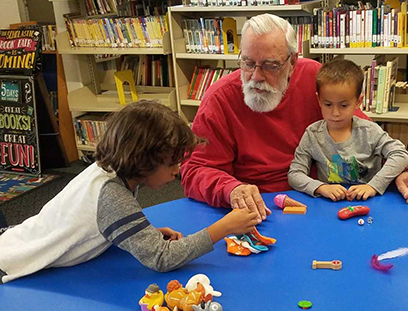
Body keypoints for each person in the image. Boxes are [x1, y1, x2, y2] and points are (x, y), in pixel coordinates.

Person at [181, 14, 408, 220]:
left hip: (321, 201)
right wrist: (232, 189)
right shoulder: (219, 99)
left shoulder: (314, 77)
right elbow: (194, 170)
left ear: (292, 61)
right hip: (261, 209)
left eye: (270, 65)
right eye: (247, 63)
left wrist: (403, 173)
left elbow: (359, 131)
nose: (256, 76)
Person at [0, 100, 259, 284]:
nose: (177, 171)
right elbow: (161, 258)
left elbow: (95, 223)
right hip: (10, 261)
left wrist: (140, 234)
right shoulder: (112, 195)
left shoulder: (110, 172)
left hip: (18, 239)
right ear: (142, 160)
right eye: (171, 163)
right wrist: (223, 227)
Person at [288, 59, 408, 201]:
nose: (335, 113)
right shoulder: (312, 134)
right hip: (329, 206)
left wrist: (373, 186)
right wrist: (320, 187)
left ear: (358, 101)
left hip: (371, 204)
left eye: (344, 105)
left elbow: (401, 154)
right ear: (319, 100)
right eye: (328, 104)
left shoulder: (369, 131)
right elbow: (295, 174)